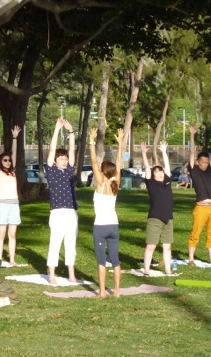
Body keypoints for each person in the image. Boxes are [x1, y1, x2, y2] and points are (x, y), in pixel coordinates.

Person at [89, 127, 122, 297]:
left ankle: (102, 291)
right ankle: (116, 291)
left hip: (100, 227)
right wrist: (121, 143)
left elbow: (94, 162)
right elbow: (120, 162)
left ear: (102, 171)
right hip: (114, 226)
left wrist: (92, 142)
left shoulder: (101, 182)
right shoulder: (116, 183)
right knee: (115, 260)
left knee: (102, 261)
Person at [44, 117, 77, 285]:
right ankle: (52, 275)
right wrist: (57, 129)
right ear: (56, 162)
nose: (64, 160)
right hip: (57, 211)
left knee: (70, 242)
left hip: (71, 211)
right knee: (55, 242)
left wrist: (70, 131)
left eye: (65, 158)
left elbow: (72, 151)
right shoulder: (51, 171)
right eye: (61, 158)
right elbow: (51, 150)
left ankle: (71, 274)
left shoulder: (69, 170)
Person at [186, 124, 211, 265]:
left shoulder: (208, 170)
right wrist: (192, 135)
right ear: (197, 162)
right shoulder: (194, 170)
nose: (205, 164)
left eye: (207, 162)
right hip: (201, 207)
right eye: (203, 162)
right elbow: (192, 153)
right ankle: (191, 259)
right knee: (196, 233)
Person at [0, 124, 22, 266]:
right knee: (1, 234)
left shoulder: (13, 171)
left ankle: (12, 260)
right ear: (1, 162)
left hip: (14, 205)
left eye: (9, 160)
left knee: (12, 234)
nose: (7, 162)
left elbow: (14, 153)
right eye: (5, 160)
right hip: (2, 204)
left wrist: (15, 138)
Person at [140, 139, 174, 276]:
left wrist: (164, 152)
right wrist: (143, 153)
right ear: (153, 176)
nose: (160, 174)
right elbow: (147, 169)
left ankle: (168, 269)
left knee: (167, 246)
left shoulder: (167, 182)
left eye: (161, 172)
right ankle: (147, 270)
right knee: (151, 246)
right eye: (157, 172)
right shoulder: (151, 184)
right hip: (155, 218)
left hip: (168, 218)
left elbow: (167, 167)